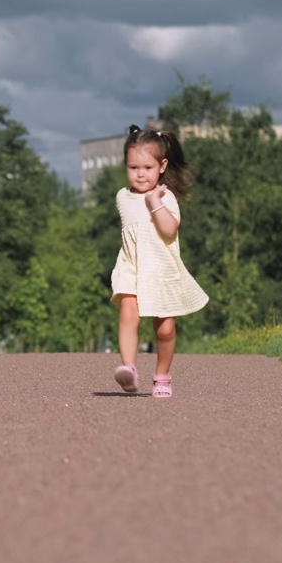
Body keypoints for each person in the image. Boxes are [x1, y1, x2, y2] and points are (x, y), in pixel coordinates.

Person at [110, 125, 209, 398]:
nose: (140, 174)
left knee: (165, 330)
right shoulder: (122, 196)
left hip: (161, 269)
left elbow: (168, 230)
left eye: (147, 167)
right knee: (128, 315)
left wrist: (154, 202)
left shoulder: (166, 197)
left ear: (162, 166)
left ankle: (162, 375)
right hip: (131, 266)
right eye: (133, 167)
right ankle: (129, 369)